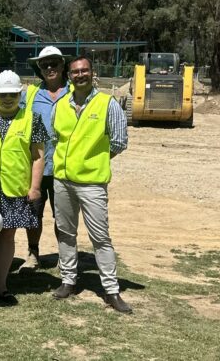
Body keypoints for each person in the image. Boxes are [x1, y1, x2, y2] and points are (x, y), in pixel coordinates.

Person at [51, 56, 132, 314]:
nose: (80, 75)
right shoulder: (61, 104)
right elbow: (55, 137)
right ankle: (68, 281)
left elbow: (119, 141)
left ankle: (110, 289)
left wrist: (94, 160)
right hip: (63, 181)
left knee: (100, 237)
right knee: (65, 232)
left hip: (92, 184)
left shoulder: (107, 104)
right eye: (75, 72)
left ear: (92, 73)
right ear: (69, 76)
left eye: (84, 70)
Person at [0, 70, 47, 305]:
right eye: (2, 94)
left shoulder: (32, 118)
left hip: (15, 187)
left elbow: (38, 156)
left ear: (19, 93)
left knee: (7, 234)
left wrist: (35, 187)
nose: (7, 98)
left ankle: (1, 284)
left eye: (12, 94)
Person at [22, 46, 71, 269]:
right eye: (45, 65)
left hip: (65, 166)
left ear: (63, 66)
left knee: (63, 215)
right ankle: (33, 253)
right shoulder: (30, 95)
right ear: (39, 69)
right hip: (37, 165)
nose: (50, 68)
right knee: (34, 213)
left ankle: (66, 256)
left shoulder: (74, 93)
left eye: (54, 63)